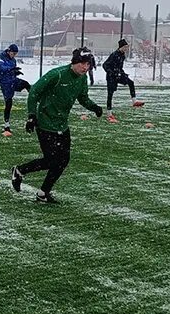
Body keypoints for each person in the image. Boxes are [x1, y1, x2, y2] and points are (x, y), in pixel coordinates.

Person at [9, 49, 103, 203]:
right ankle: (19, 170)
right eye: (83, 64)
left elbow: (83, 98)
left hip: (62, 125)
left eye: (88, 65)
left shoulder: (82, 78)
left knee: (63, 160)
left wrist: (95, 107)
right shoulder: (56, 75)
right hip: (45, 123)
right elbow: (34, 93)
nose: (85, 68)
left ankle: (43, 193)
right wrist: (32, 116)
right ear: (74, 62)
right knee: (52, 160)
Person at [102, 39, 143, 122]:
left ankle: (134, 102)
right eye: (125, 47)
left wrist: (123, 74)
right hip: (111, 77)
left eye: (127, 47)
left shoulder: (123, 55)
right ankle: (109, 114)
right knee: (110, 94)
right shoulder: (114, 55)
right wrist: (111, 73)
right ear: (121, 47)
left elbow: (120, 67)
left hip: (119, 75)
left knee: (130, 82)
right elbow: (105, 65)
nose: (126, 49)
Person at [0, 44, 31, 136]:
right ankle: (6, 125)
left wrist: (16, 72)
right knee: (8, 103)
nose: (14, 55)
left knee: (27, 84)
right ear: (9, 51)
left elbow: (12, 71)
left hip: (13, 81)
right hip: (5, 84)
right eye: (13, 53)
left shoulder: (13, 60)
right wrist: (11, 68)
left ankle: (34, 102)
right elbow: (1, 69)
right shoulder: (1, 58)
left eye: (15, 54)